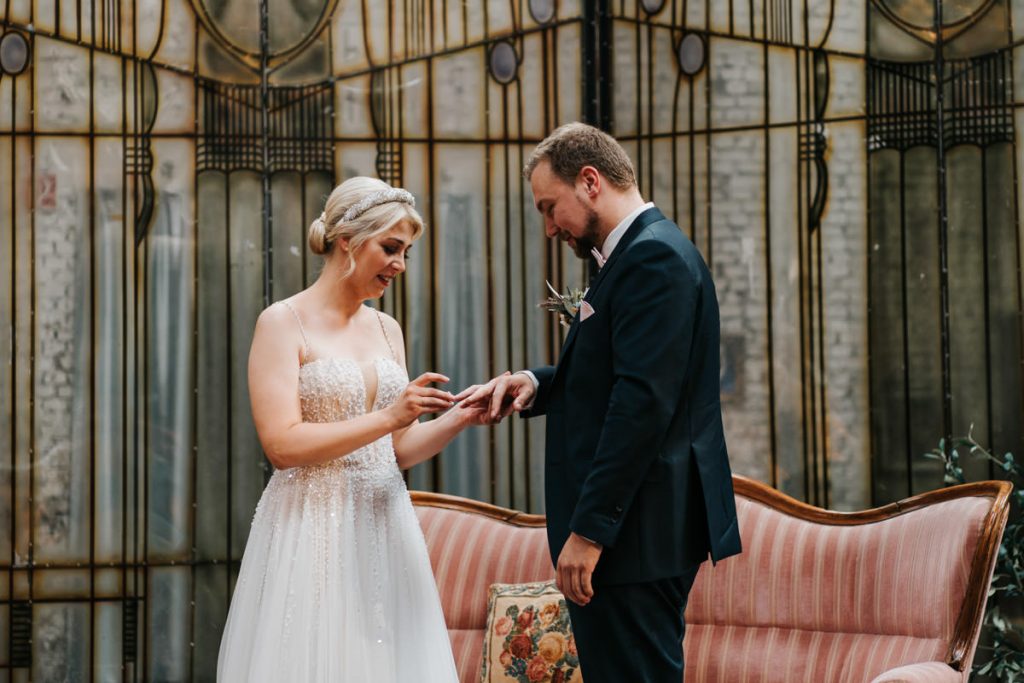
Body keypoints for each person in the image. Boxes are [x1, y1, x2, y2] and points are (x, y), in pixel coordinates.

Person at [459, 123, 742, 682]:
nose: (548, 228)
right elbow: (621, 376)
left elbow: (641, 406)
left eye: (549, 207)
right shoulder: (639, 253)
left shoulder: (651, 260)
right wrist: (537, 383)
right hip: (637, 533)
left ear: (589, 181)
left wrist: (589, 533)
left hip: (633, 537)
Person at [217, 177, 483, 682]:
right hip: (310, 525)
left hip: (384, 522)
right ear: (348, 241)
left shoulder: (387, 329)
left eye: (405, 252)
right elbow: (282, 445)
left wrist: (459, 417)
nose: (400, 265)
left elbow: (397, 450)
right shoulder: (282, 323)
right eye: (390, 248)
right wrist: (388, 416)